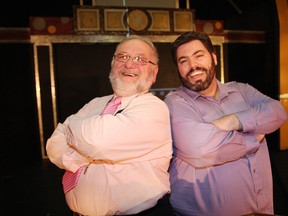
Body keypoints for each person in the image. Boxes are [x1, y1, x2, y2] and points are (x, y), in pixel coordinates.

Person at [46, 35, 174, 216]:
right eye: (122, 56)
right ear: (113, 64)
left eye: (140, 59)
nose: (129, 64)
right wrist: (75, 157)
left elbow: (96, 142)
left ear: (153, 73)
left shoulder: (154, 109)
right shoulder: (95, 103)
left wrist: (70, 126)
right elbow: (53, 145)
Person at [164, 31, 288, 216]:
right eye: (183, 61)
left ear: (214, 57)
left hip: (263, 209)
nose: (193, 66)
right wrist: (253, 135)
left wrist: (233, 121)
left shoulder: (241, 90)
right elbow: (201, 149)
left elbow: (278, 112)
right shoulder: (175, 102)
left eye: (199, 56)